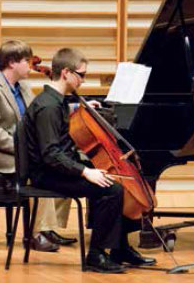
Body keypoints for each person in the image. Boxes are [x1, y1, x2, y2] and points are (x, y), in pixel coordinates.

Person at [23, 48, 157, 273]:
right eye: (81, 75)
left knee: (118, 180)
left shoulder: (57, 102)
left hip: (59, 167)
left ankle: (120, 248)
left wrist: (78, 108)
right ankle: (96, 254)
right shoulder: (47, 106)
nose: (83, 81)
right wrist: (85, 172)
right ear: (66, 72)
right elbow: (51, 154)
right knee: (111, 189)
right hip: (46, 174)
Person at [0, 40, 76, 252]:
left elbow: (35, 117)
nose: (31, 65)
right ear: (11, 63)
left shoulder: (25, 87)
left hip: (20, 150)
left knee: (64, 164)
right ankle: (36, 234)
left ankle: (48, 227)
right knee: (41, 168)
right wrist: (25, 149)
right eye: (27, 61)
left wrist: (70, 108)